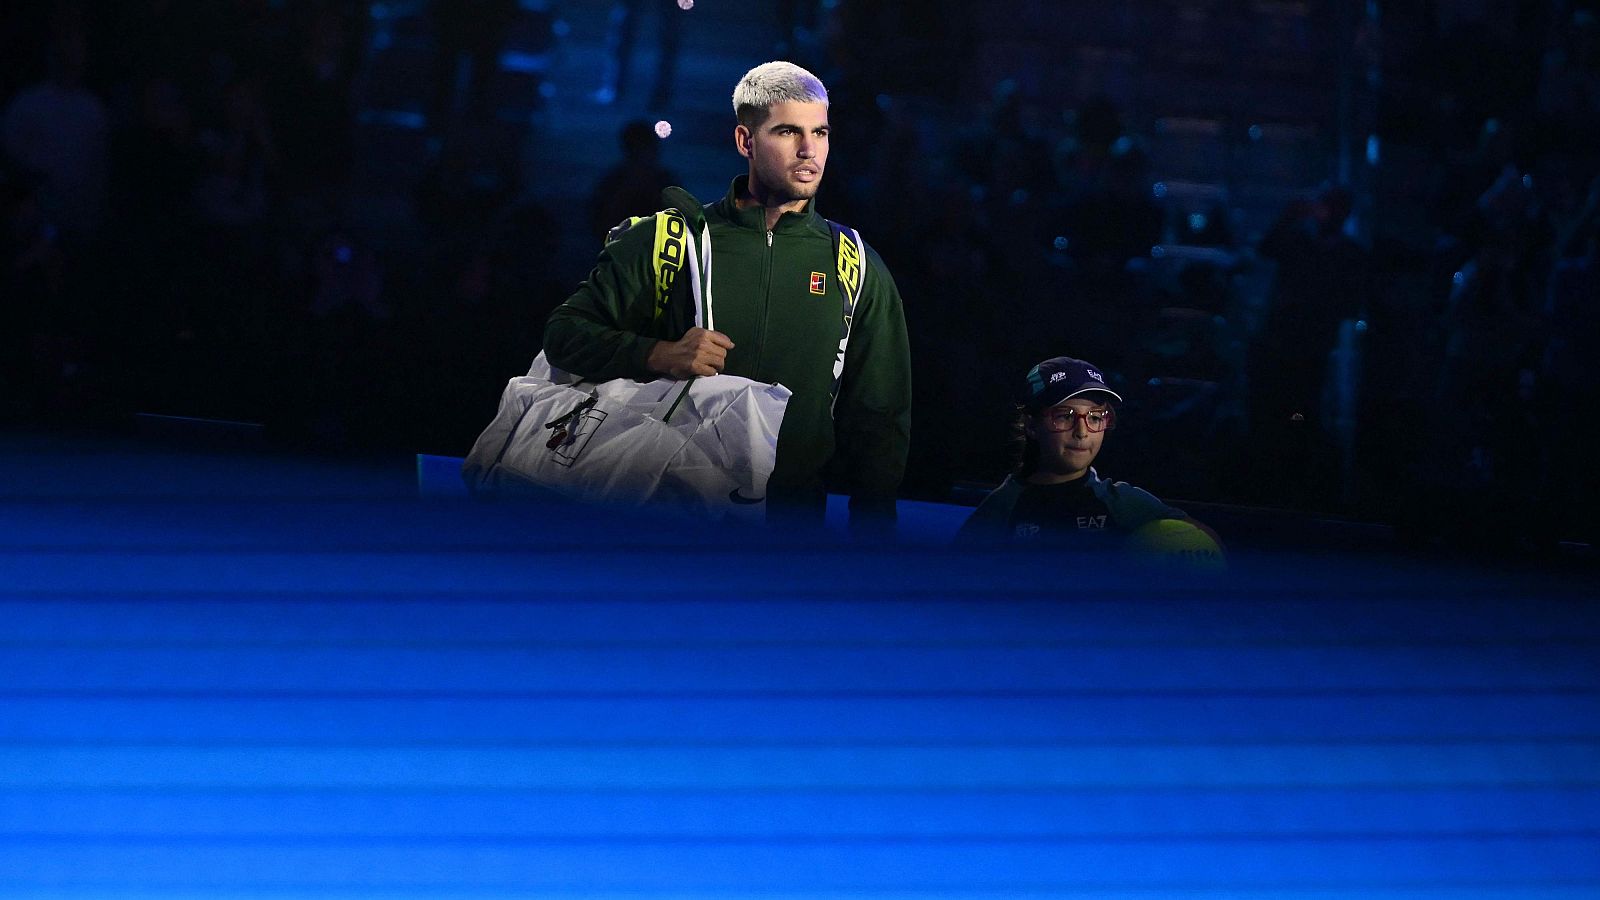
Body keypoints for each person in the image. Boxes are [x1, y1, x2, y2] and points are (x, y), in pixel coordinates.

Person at [543, 61, 911, 531]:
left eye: (820, 132)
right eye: (787, 132)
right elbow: (564, 335)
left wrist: (873, 541)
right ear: (745, 141)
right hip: (661, 522)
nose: (808, 150)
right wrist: (658, 353)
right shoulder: (668, 242)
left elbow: (880, 417)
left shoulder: (855, 261)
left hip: (789, 534)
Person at [956, 356, 1194, 545]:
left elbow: (1204, 544)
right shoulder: (1002, 509)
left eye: (1095, 417)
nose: (1082, 431)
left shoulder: (1125, 504)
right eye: (1064, 416)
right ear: (1031, 425)